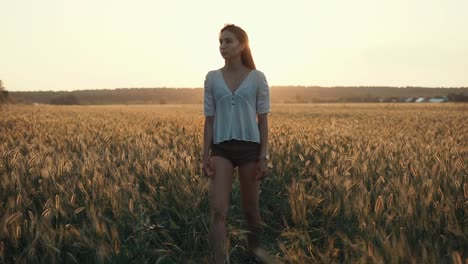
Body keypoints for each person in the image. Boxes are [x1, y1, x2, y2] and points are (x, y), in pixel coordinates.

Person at [202, 24, 270, 263]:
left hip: (250, 150)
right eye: (220, 42)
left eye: (228, 41)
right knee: (218, 210)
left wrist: (263, 156)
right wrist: (204, 155)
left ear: (242, 45)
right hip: (221, 150)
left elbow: (263, 122)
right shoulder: (211, 78)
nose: (222, 46)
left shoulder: (257, 78)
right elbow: (209, 121)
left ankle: (255, 256)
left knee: (251, 211)